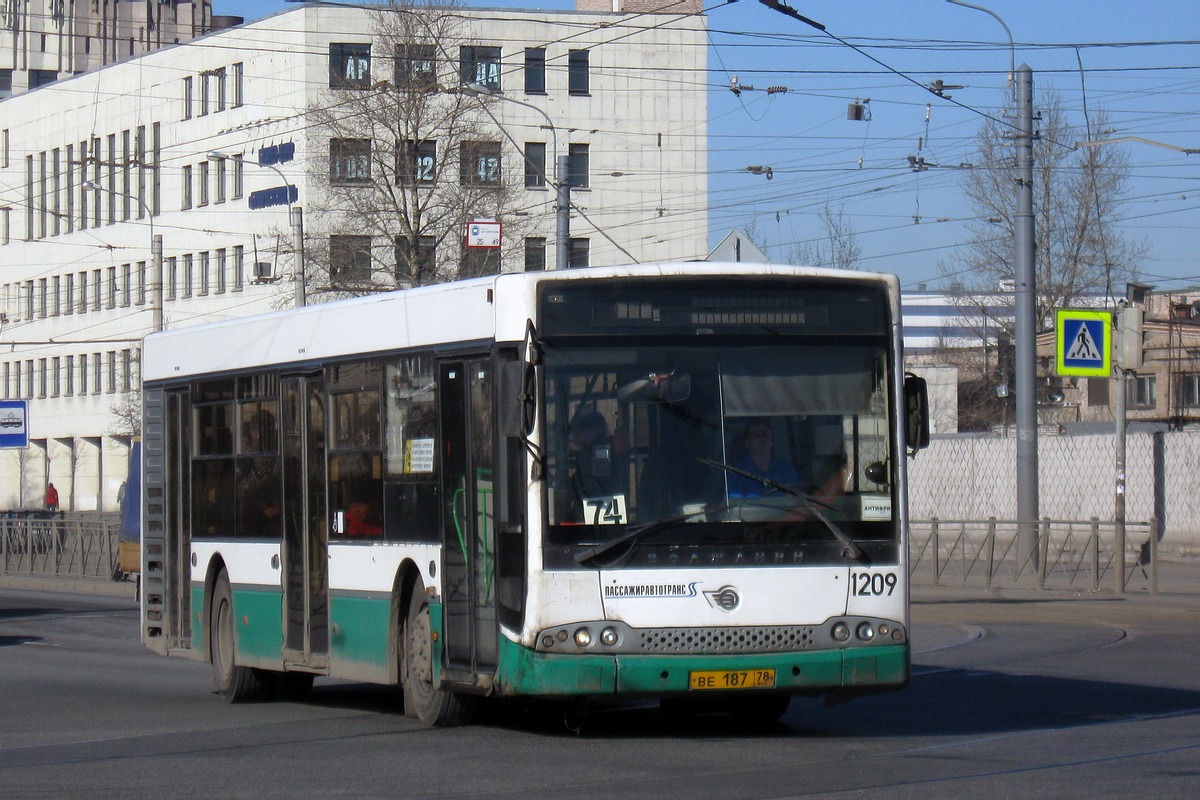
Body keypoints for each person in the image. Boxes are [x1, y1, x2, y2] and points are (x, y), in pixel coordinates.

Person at [727, 420, 798, 498]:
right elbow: (733, 505)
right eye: (756, 435)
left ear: (772, 441)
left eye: (765, 434)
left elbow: (795, 502)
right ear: (747, 443)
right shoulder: (737, 472)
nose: (762, 439)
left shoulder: (786, 470)